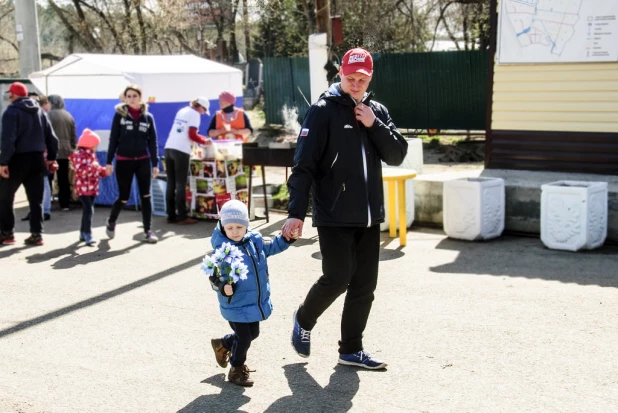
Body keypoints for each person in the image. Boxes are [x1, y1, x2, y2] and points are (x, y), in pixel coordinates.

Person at [281, 47, 408, 370]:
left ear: (370, 77)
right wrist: (296, 212)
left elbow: (396, 154)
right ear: (340, 74)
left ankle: (351, 349)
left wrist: (374, 123)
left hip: (368, 215)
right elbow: (303, 166)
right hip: (334, 214)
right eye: (350, 78)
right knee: (337, 277)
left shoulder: (375, 110)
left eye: (362, 79)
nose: (356, 84)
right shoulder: (323, 110)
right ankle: (304, 318)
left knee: (365, 285)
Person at [207, 200, 295, 386]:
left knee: (252, 333)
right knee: (245, 337)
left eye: (240, 226)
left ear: (247, 225)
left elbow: (272, 246)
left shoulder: (255, 240)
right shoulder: (222, 250)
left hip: (254, 301)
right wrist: (223, 286)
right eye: (229, 227)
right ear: (223, 227)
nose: (235, 231)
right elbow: (214, 277)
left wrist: (287, 238)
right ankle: (236, 368)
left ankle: (223, 343)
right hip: (235, 303)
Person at [0, 82, 59, 246]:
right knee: (36, 199)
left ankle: (7, 233)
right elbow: (52, 139)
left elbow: (7, 139)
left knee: (4, 196)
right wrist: (51, 158)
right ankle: (36, 234)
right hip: (37, 159)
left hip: (17, 159)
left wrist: (3, 162)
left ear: (13, 95)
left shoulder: (11, 112)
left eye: (9, 94)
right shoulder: (40, 112)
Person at [105, 84, 159, 243]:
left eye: (134, 96)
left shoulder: (148, 117)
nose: (131, 99)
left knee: (146, 196)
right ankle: (111, 221)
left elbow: (153, 142)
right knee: (124, 196)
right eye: (128, 96)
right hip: (123, 161)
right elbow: (113, 139)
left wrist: (155, 164)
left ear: (140, 97)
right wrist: (108, 161)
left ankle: (148, 230)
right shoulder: (119, 116)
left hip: (143, 161)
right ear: (125, 98)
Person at [164, 97, 212, 225]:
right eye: (204, 110)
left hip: (169, 147)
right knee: (180, 183)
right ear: (200, 107)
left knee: (171, 183)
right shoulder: (195, 114)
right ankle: (182, 216)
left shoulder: (182, 110)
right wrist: (205, 141)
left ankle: (171, 215)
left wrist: (199, 138)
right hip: (181, 150)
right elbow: (192, 135)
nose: (203, 113)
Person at [69, 129, 108, 246]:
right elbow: (80, 171)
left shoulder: (91, 155)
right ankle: (88, 233)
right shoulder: (78, 155)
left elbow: (97, 169)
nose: (97, 147)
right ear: (90, 144)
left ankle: (82, 232)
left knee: (87, 210)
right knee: (89, 210)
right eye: (96, 145)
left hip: (92, 188)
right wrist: (93, 167)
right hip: (83, 188)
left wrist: (104, 171)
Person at [21, 94, 52, 222]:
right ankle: (36, 211)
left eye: (35, 100)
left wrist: (51, 155)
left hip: (41, 154)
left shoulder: (43, 116)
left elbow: (51, 137)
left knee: (43, 183)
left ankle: (44, 210)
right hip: (33, 154)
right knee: (34, 185)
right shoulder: (33, 115)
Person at [47, 94, 77, 211]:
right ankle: (65, 203)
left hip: (51, 150)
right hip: (66, 150)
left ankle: (46, 203)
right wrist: (73, 148)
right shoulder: (68, 116)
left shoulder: (49, 115)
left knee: (48, 177)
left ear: (52, 103)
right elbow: (73, 136)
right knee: (63, 177)